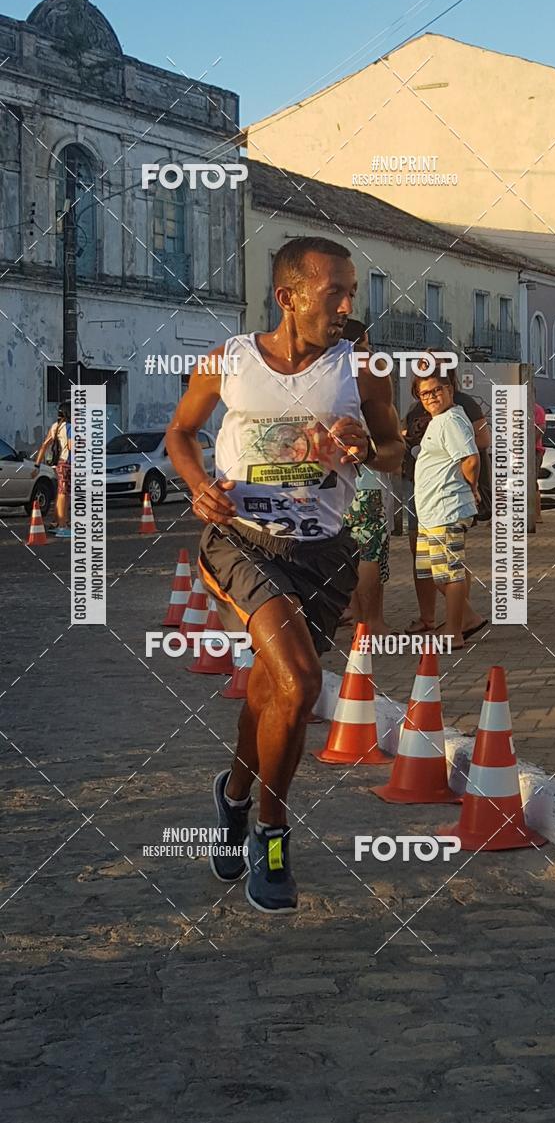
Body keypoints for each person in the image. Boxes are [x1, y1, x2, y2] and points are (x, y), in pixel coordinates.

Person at [167, 236, 405, 914]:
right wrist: (196, 486)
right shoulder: (231, 362)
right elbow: (180, 434)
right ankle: (272, 835)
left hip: (324, 551)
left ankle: (235, 797)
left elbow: (392, 450)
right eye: (336, 292)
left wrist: (367, 444)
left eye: (352, 291)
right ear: (288, 296)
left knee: (275, 691)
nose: (348, 305)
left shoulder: (362, 369)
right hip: (243, 541)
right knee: (301, 681)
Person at [401, 362, 490, 634]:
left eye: (436, 390)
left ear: (449, 389)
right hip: (432, 512)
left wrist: (472, 487)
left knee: (448, 574)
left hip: (446, 508)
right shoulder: (440, 419)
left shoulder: (451, 419)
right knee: (435, 573)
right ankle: (468, 619)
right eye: (424, 393)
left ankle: (454, 632)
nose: (430, 397)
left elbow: (470, 458)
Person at [340, 319, 391, 633]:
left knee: (351, 550)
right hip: (368, 477)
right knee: (370, 551)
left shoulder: (326, 378)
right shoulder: (365, 377)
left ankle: (359, 619)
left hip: (338, 481)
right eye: (367, 344)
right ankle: (372, 621)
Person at [35, 403, 72, 537]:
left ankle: (57, 522)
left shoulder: (55, 427)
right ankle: (63, 526)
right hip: (68, 463)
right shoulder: (69, 427)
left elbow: (44, 445)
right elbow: (73, 447)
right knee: (64, 494)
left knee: (61, 493)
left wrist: (37, 465)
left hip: (58, 464)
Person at [534, 393, 546, 523]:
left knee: (532, 482)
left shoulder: (537, 409)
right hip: (516, 451)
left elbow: (541, 428)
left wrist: (529, 445)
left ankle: (537, 515)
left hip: (534, 451)